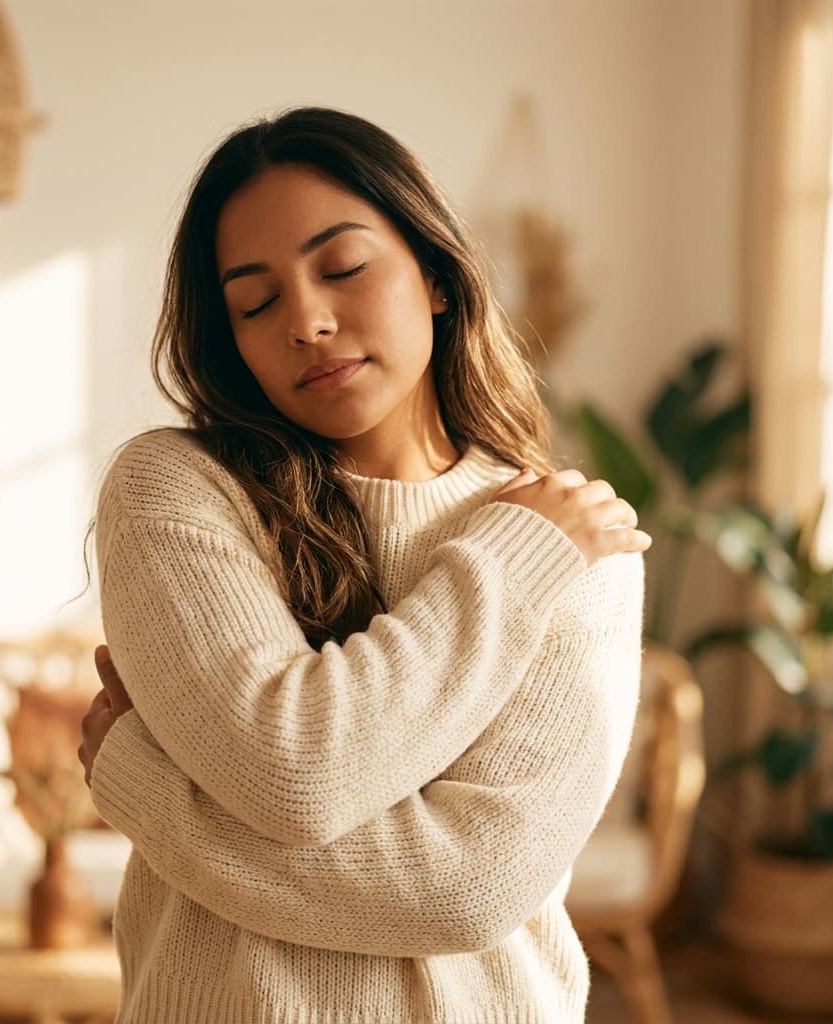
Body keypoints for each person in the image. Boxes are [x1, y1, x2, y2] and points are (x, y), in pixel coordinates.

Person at [77, 105, 650, 1024]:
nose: (306, 319)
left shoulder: (573, 543)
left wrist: (149, 785)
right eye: (256, 302)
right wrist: (504, 568)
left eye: (342, 268)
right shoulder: (174, 490)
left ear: (433, 273)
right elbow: (296, 770)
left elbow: (472, 890)